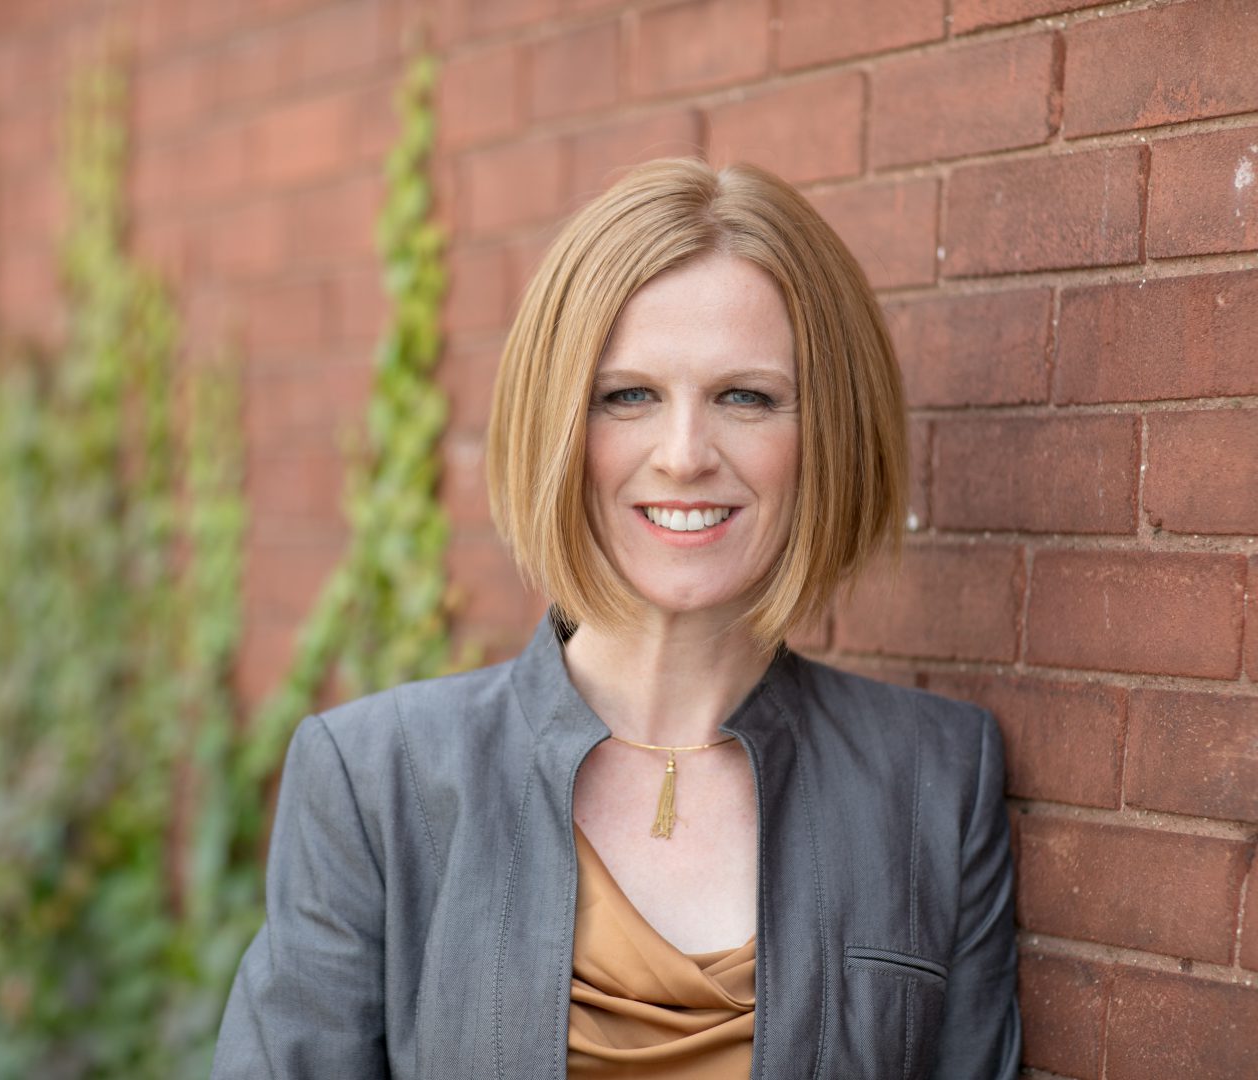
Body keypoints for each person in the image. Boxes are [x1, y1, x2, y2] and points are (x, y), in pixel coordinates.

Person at [210, 157, 1021, 1079]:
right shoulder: (375, 780)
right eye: (627, 396)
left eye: (744, 397)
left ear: (828, 433)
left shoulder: (934, 782)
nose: (683, 455)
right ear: (559, 426)